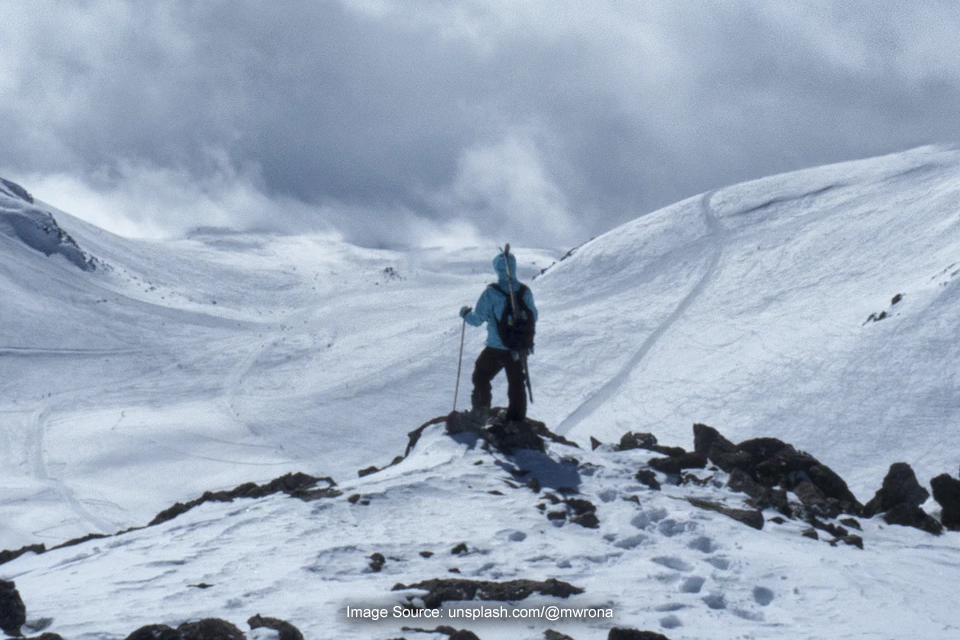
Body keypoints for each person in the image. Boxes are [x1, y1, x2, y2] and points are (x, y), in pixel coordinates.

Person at [459, 251, 538, 422]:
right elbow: (534, 317)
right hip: (518, 348)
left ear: (497, 269)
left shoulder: (491, 292)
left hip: (496, 346)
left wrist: (465, 313)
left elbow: (477, 319)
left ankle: (480, 412)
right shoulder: (525, 291)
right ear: (514, 267)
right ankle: (516, 419)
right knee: (516, 383)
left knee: (481, 376)